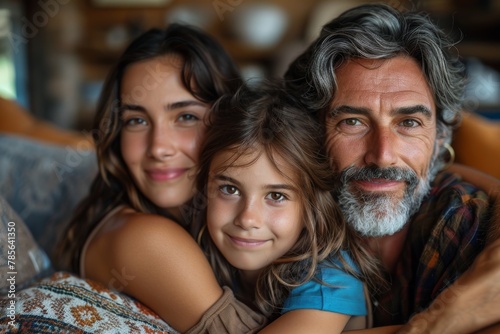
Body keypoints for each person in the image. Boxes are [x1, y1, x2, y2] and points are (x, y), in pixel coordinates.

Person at [284, 3, 500, 333]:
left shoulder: (467, 228)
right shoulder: (272, 219)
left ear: (440, 137)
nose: (382, 155)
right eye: (353, 122)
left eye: (409, 122)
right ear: (310, 132)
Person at [57, 24, 269, 333]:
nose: (158, 147)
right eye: (137, 120)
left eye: (185, 117)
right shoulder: (147, 239)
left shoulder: (223, 224)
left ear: (231, 123)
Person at [192, 82, 382, 333]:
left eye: (276, 195)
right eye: (230, 189)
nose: (247, 219)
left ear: (310, 206)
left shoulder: (331, 278)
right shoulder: (200, 252)